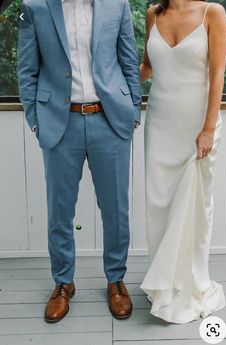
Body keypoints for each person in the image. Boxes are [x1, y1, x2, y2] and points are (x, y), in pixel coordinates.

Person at [18, 0, 141, 323]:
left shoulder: (118, 6)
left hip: (110, 121)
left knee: (116, 209)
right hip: (60, 124)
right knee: (60, 211)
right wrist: (35, 120)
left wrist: (132, 115)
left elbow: (129, 62)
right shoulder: (35, 8)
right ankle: (63, 283)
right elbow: (26, 70)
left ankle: (115, 280)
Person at [140, 0, 226, 323]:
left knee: (194, 206)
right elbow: (147, 68)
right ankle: (163, 286)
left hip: (197, 128)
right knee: (160, 205)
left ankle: (189, 282)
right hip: (160, 125)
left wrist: (208, 128)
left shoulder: (213, 13)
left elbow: (218, 71)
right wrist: (110, 90)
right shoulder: (153, 13)